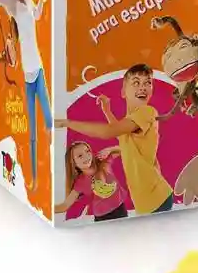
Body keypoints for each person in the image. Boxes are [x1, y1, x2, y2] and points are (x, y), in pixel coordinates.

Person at [55, 64, 173, 214]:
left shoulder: (147, 112)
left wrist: (67, 123)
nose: (143, 87)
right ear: (123, 92)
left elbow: (108, 132)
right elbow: (121, 135)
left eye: (147, 83)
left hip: (156, 198)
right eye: (136, 83)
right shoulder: (130, 120)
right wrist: (107, 111)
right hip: (146, 199)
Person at [0, 0, 51, 188]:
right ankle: (34, 180)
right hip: (27, 72)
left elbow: (38, 14)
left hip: (39, 67)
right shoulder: (14, 5)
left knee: (48, 119)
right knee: (32, 130)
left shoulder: (28, 0)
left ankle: (51, 173)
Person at [54, 141, 129, 221]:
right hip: (102, 217)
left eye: (87, 151)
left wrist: (110, 149)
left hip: (120, 208)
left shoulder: (102, 161)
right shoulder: (80, 183)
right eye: (80, 156)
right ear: (73, 163)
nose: (86, 156)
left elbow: (126, 150)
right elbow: (64, 206)